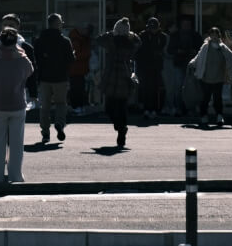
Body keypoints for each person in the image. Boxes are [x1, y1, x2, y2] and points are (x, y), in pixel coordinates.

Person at [0, 13, 36, 175]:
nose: (8, 27)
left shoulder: (26, 47)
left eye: (12, 24)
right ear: (0, 26)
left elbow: (33, 73)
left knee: (7, 136)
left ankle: (3, 169)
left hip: (13, 96)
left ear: (19, 27)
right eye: (5, 24)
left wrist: (33, 93)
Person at [190, 27, 232, 126]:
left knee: (218, 99)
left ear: (219, 35)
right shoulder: (205, 47)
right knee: (206, 98)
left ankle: (219, 116)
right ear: (209, 35)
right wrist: (192, 63)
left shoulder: (223, 48)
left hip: (219, 78)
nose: (214, 36)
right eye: (212, 34)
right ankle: (204, 116)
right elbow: (198, 57)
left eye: (216, 34)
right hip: (206, 78)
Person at [96, 18, 141, 148]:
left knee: (111, 106)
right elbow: (139, 42)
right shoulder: (131, 41)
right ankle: (121, 128)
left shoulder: (112, 40)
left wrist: (112, 33)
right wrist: (131, 35)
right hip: (122, 75)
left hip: (114, 75)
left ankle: (120, 129)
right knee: (120, 106)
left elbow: (99, 39)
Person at [34, 13, 75, 143]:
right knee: (61, 104)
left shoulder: (39, 40)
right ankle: (59, 124)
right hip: (60, 78)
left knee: (45, 107)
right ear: (58, 24)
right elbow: (71, 60)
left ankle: (45, 132)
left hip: (44, 78)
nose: (62, 24)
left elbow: (36, 60)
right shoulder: (65, 41)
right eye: (61, 22)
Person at [165, 16, 202, 115]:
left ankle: (190, 108)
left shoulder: (195, 35)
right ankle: (179, 108)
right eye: (184, 24)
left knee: (192, 88)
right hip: (179, 64)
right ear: (181, 25)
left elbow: (202, 49)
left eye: (188, 24)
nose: (186, 26)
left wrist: (195, 51)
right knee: (178, 88)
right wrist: (178, 51)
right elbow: (169, 50)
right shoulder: (175, 35)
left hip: (192, 65)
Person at [135, 17, 168, 118]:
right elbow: (138, 51)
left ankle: (154, 109)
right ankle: (146, 109)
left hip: (156, 66)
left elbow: (161, 49)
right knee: (145, 88)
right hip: (144, 66)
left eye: (154, 27)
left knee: (155, 89)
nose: (153, 29)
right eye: (151, 27)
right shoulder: (142, 35)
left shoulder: (162, 37)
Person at [68, 23, 92, 114]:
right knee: (77, 89)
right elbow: (76, 55)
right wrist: (87, 54)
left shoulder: (80, 38)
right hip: (76, 70)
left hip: (79, 69)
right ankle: (77, 106)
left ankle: (79, 106)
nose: (88, 32)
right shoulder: (76, 40)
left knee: (79, 89)